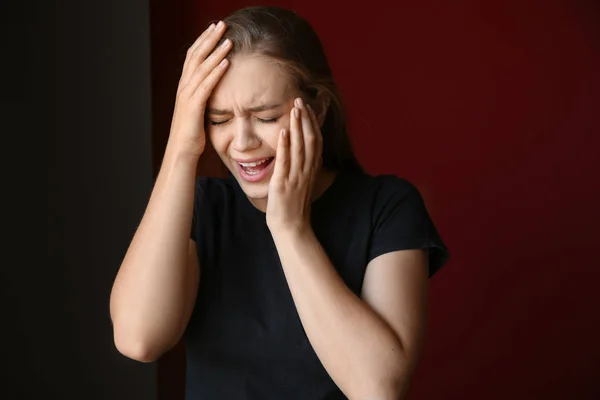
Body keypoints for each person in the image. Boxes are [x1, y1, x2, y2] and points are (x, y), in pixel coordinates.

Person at [109, 6, 449, 400]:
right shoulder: (205, 207)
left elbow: (377, 388)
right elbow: (138, 339)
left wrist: (290, 228)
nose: (242, 142)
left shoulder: (388, 207)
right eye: (219, 119)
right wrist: (182, 147)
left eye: (267, 117)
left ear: (318, 109)